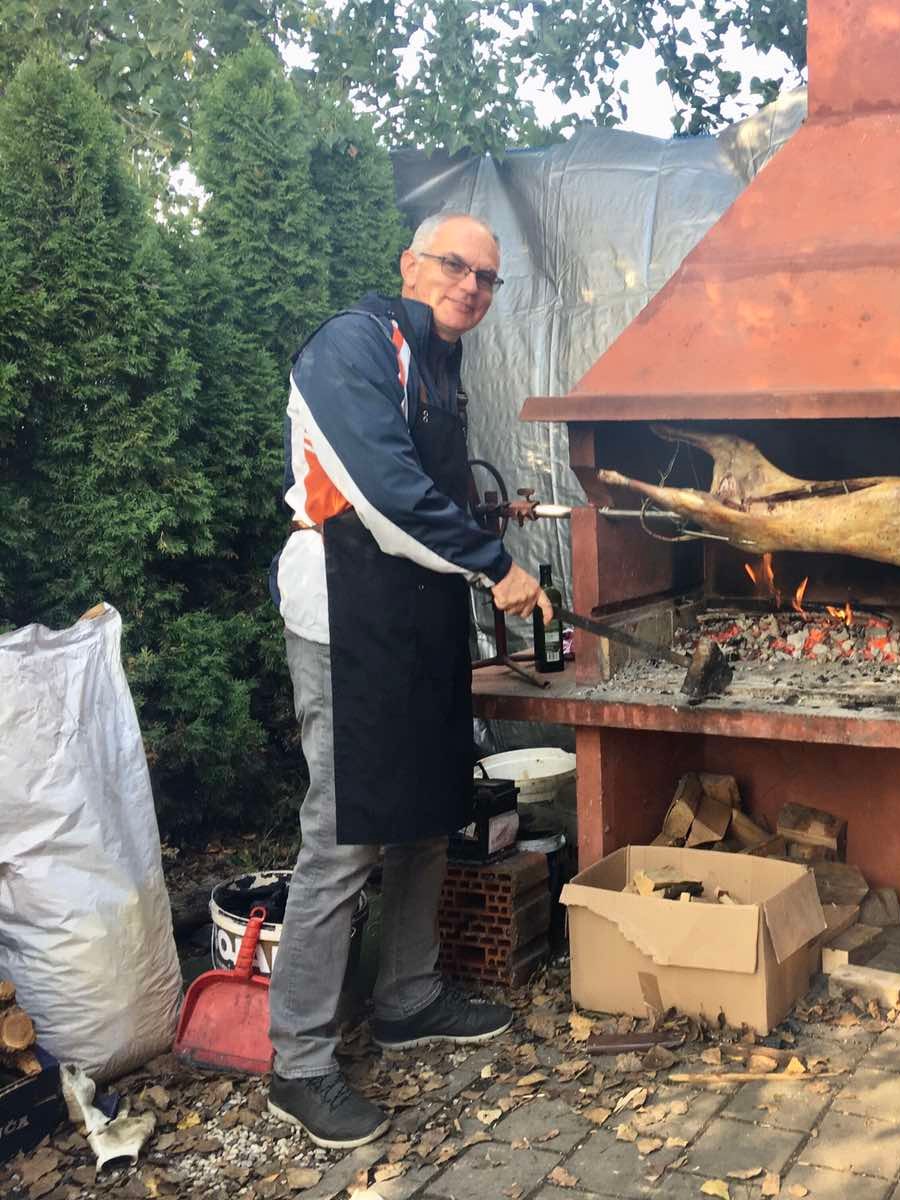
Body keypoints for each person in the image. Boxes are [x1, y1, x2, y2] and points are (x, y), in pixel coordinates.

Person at [265, 212, 552, 1149]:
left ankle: (408, 995)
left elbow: (428, 485)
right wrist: (495, 559)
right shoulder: (353, 343)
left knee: (430, 806)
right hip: (348, 608)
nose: (471, 285)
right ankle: (298, 1064)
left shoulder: (439, 361)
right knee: (345, 834)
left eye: (487, 278)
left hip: (419, 615)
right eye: (454, 266)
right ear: (410, 264)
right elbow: (382, 489)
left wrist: (482, 513)